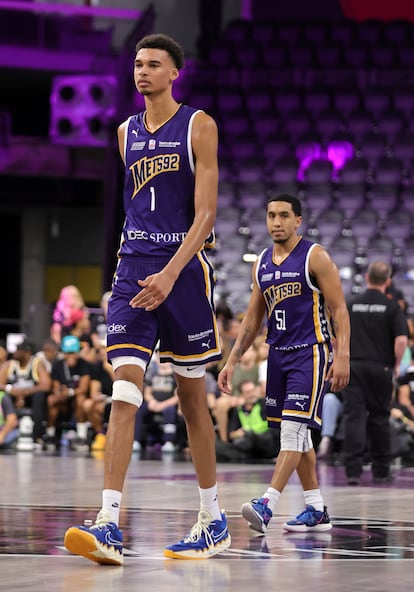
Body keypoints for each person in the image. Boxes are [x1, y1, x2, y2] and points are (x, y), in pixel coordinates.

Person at [64, 33, 230, 564]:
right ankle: (108, 521)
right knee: (125, 390)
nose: (142, 72)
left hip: (181, 272)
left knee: (191, 401)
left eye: (153, 64)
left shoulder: (199, 125)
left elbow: (205, 216)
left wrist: (169, 272)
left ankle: (212, 518)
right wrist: (138, 274)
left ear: (174, 73)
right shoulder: (124, 133)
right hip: (133, 269)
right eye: (137, 64)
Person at [218, 194, 350, 534]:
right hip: (277, 354)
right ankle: (316, 508)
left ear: (298, 221)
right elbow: (251, 321)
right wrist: (231, 360)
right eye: (271, 215)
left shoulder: (315, 256)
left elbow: (339, 310)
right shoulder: (261, 262)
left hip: (311, 351)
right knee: (294, 435)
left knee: (293, 429)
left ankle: (267, 503)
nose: (276, 222)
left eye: (283, 216)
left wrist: (343, 355)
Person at [342, 260, 409, 485]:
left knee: (354, 416)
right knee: (379, 417)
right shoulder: (391, 307)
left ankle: (352, 471)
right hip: (380, 367)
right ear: (387, 281)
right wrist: (396, 364)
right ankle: (381, 470)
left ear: (368, 278)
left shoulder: (351, 303)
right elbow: (401, 340)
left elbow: (336, 335)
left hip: (353, 366)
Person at [0, 339, 51, 445]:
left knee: (39, 396)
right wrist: (11, 390)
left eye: (19, 350)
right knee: (4, 396)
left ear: (27, 352)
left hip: (30, 398)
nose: (15, 352)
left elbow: (46, 386)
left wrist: (24, 393)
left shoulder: (37, 364)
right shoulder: (9, 364)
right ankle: (8, 424)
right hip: (13, 397)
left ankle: (36, 436)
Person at [215, 379, 280, 462]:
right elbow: (231, 434)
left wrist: (248, 433)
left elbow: (274, 430)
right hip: (248, 444)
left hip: (265, 442)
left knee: (249, 437)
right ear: (242, 395)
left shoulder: (264, 404)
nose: (252, 394)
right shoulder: (238, 410)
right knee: (219, 446)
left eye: (253, 391)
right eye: (248, 392)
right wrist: (237, 433)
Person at [46, 335, 92, 449]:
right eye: (68, 353)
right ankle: (50, 435)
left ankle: (82, 436)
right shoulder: (58, 365)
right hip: (63, 401)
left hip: (76, 400)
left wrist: (70, 392)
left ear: (78, 352)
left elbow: (84, 388)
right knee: (51, 400)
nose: (70, 356)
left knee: (81, 399)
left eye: (73, 352)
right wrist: (59, 393)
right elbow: (55, 386)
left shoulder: (84, 365)